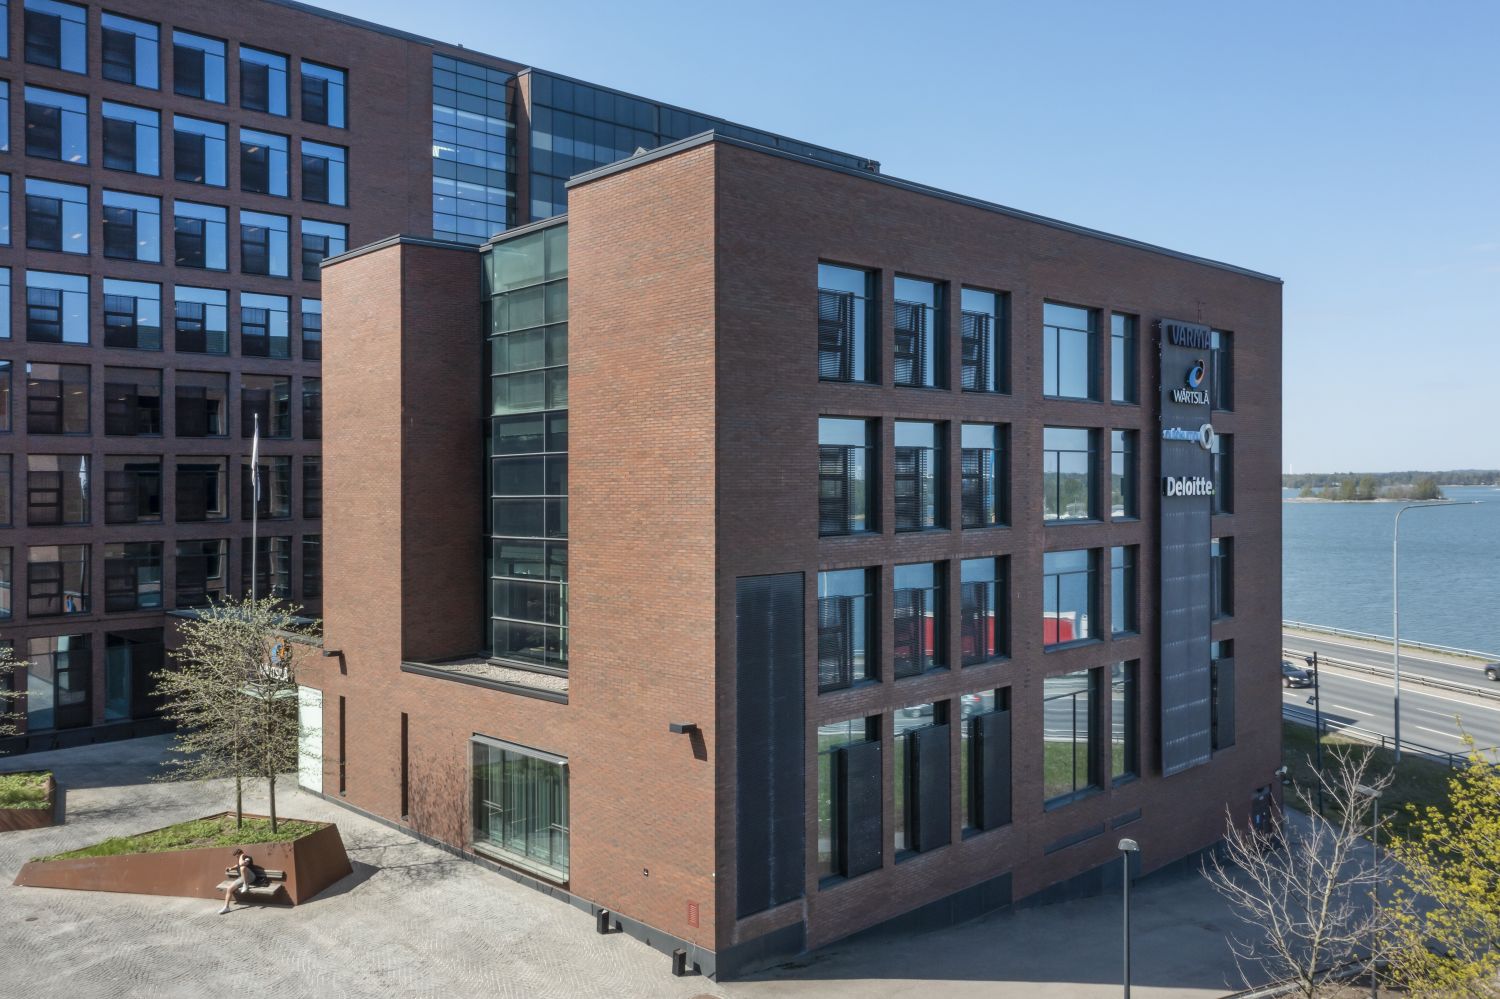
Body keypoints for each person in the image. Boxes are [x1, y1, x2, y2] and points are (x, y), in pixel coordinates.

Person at [219, 848, 255, 914]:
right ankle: (226, 907)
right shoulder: (239, 860)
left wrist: (241, 856)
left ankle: (245, 885)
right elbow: (238, 865)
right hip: (242, 878)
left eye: (238, 856)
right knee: (229, 889)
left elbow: (242, 864)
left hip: (250, 877)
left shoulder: (248, 858)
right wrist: (231, 868)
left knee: (243, 867)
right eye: (237, 856)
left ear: (241, 854)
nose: (237, 857)